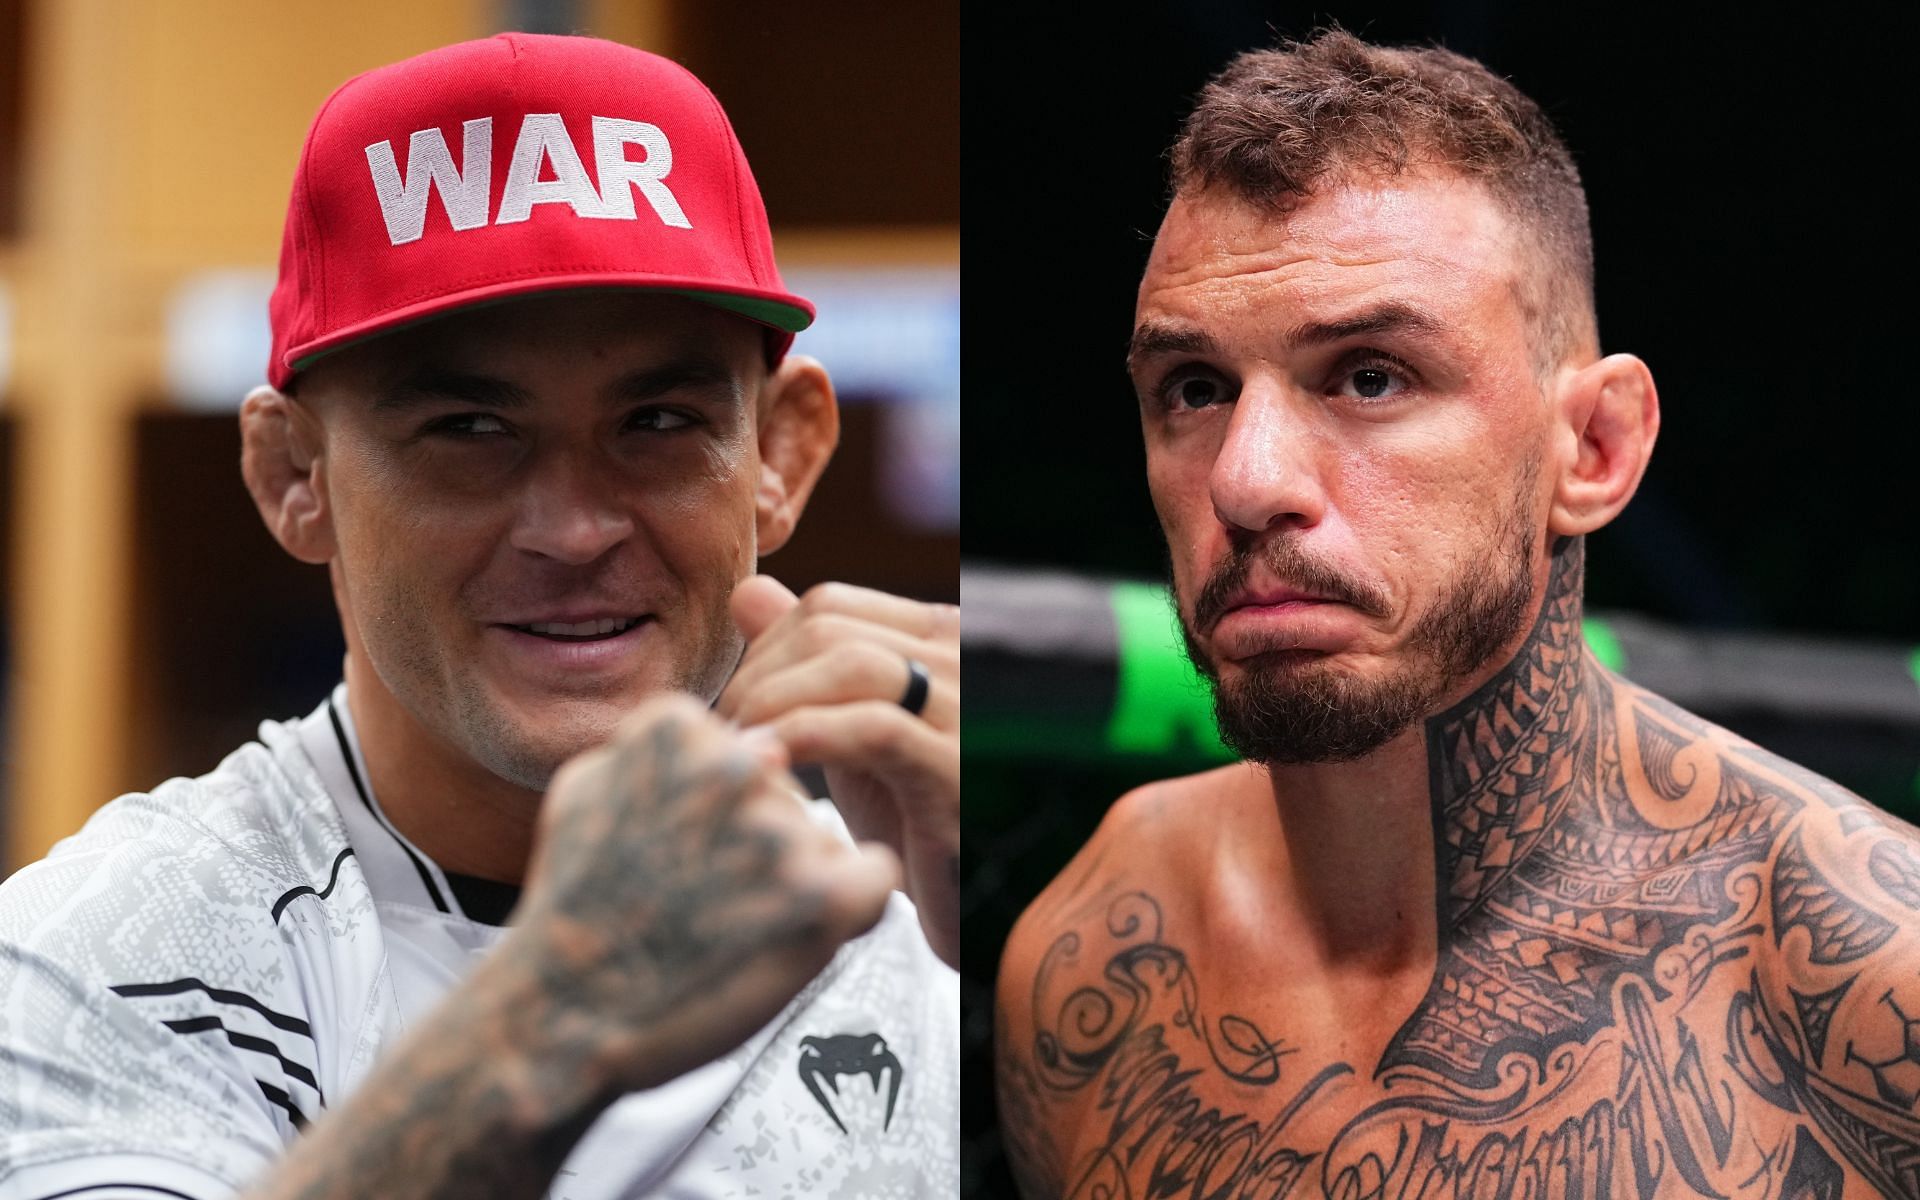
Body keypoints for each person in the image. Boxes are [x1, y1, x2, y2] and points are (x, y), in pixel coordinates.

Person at [0, 33, 959, 1199]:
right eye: (468, 429)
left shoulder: (936, 916)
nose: (573, 527)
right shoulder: (102, 955)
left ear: (782, 454)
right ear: (293, 476)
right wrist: (555, 1015)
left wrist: (1024, 970)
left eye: (655, 420)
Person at [994, 30, 1920, 1200]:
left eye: (1370, 374)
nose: (1246, 479)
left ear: (1593, 448)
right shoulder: (1100, 950)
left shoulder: (1863, 980)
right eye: (1196, 389)